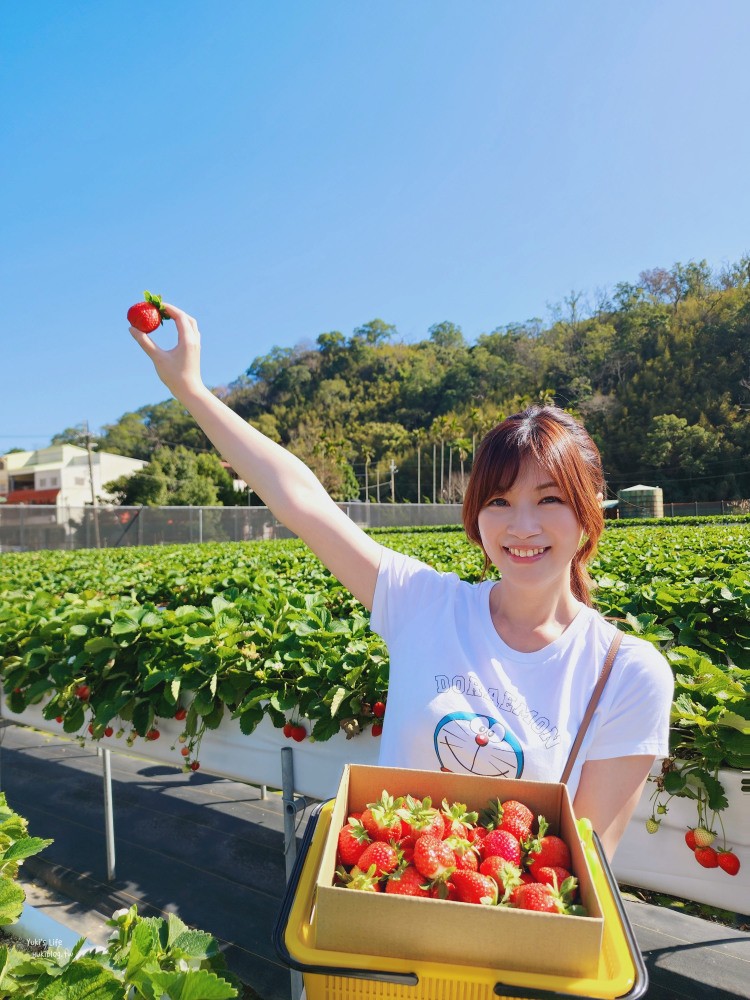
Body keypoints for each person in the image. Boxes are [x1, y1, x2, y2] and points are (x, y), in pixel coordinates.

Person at [131, 303, 674, 859]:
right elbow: (304, 503)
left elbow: (583, 865)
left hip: (503, 937)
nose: (522, 526)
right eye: (499, 501)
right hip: (378, 909)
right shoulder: (425, 605)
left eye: (549, 500)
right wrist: (192, 390)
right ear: (476, 517)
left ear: (588, 513)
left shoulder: (627, 674)